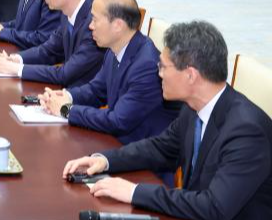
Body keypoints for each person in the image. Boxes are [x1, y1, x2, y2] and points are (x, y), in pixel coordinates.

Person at [63, 21, 272, 220]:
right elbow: (161, 148)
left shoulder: (246, 131)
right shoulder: (193, 107)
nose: (158, 73)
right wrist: (105, 160)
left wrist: (134, 192)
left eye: (163, 67)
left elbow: (214, 207)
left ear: (190, 75)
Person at [39, 0, 179, 145]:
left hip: (138, 156)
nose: (90, 26)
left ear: (118, 25)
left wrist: (67, 109)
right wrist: (65, 96)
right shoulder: (115, 49)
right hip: (113, 142)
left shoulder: (146, 65)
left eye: (95, 20)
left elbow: (118, 121)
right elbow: (96, 90)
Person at [0, 0, 105, 87]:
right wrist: (15, 59)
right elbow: (49, 50)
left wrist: (15, 69)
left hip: (85, 98)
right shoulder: (68, 10)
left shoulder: (94, 24)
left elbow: (65, 74)